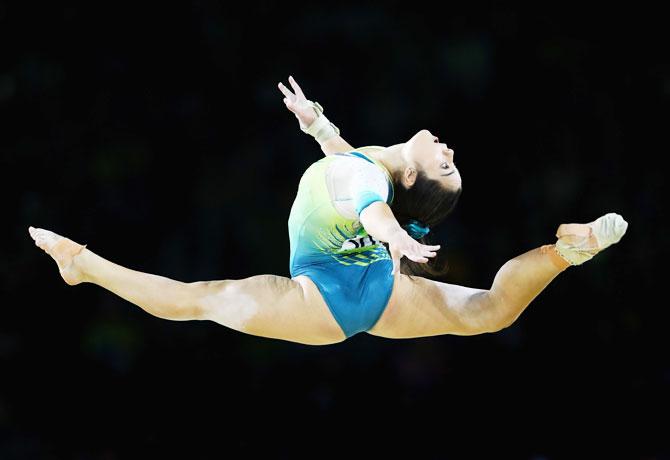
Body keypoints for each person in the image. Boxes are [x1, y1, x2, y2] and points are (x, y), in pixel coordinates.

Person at [28, 75, 628, 346]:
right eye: (453, 161)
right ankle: (563, 252)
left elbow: (371, 211)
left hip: (328, 302)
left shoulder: (371, 185)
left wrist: (396, 240)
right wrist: (320, 126)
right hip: (378, 290)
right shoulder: (364, 167)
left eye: (446, 164)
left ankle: (82, 265)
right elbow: (348, 171)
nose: (449, 149)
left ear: (412, 174)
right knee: (492, 312)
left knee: (198, 301)